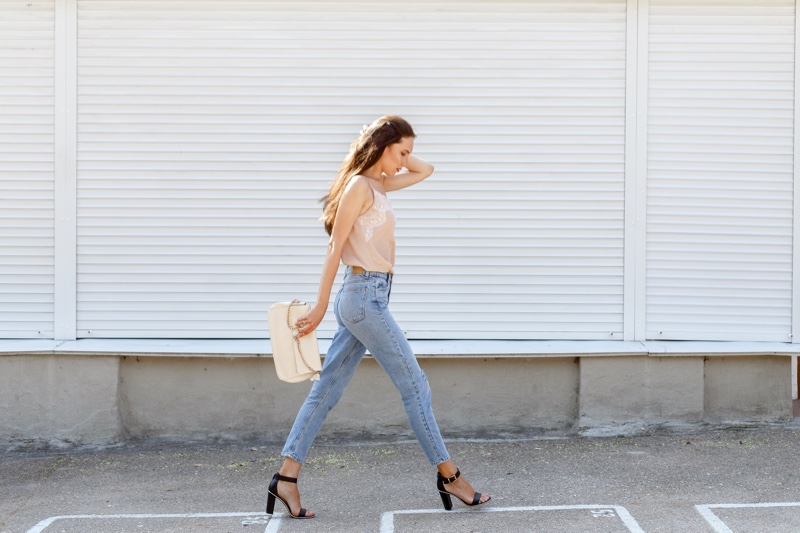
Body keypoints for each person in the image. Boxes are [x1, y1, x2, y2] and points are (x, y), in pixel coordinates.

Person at [266, 115, 491, 519]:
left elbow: (428, 169)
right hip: (363, 298)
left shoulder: (378, 185)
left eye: (407, 152)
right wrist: (318, 306)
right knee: (415, 386)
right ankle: (450, 475)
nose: (406, 161)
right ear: (383, 147)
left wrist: (393, 148)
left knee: (326, 392)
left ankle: (286, 477)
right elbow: (335, 249)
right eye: (400, 151)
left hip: (370, 298)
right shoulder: (358, 187)